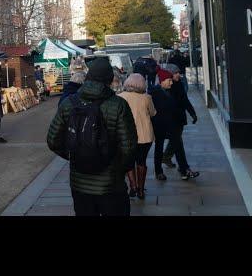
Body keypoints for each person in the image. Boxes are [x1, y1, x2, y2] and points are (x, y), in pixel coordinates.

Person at [47, 58, 137, 216]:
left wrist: (75, 155)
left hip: (79, 183)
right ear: (110, 80)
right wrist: (119, 170)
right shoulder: (118, 105)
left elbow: (52, 140)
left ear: (88, 77)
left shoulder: (69, 103)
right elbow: (128, 146)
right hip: (111, 184)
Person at [150, 69, 199, 181]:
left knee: (178, 146)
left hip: (173, 124)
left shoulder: (172, 88)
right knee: (159, 148)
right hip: (160, 126)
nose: (171, 83)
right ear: (162, 81)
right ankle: (159, 172)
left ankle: (184, 170)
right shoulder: (154, 93)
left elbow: (183, 101)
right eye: (169, 80)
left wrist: (191, 114)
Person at [118, 73, 156, 199]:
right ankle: (141, 190)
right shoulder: (147, 98)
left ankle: (133, 186)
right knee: (141, 161)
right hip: (145, 135)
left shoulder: (120, 97)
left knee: (129, 161)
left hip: (127, 135)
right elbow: (153, 113)